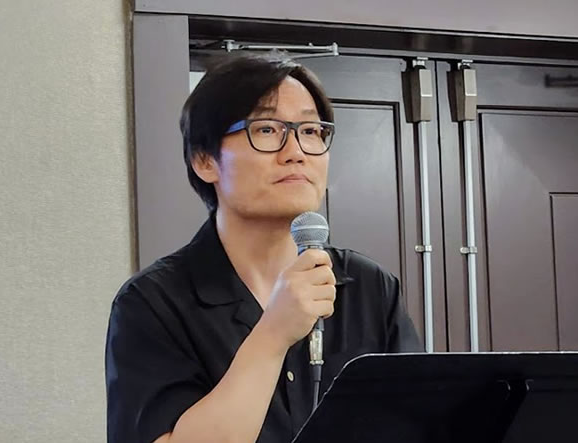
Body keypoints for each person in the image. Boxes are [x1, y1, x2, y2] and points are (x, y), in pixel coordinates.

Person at [105, 54, 422, 443]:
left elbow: (421, 422)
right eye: (268, 129)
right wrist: (272, 335)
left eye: (310, 130)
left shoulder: (370, 287)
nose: (296, 151)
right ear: (205, 160)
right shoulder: (152, 302)